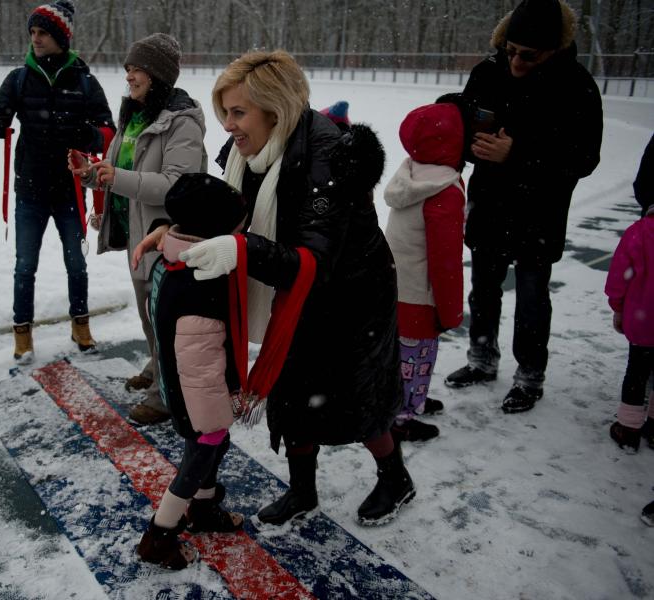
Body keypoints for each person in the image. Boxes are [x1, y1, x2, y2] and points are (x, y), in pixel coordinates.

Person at [135, 50, 412, 526]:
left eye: (238, 112)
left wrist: (242, 249)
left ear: (275, 109)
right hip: (290, 291)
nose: (228, 125)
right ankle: (302, 491)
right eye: (224, 111)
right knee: (291, 397)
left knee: (355, 400)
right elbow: (222, 209)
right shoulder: (252, 152)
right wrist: (175, 228)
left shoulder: (328, 157)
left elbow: (317, 261)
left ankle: (395, 478)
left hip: (350, 299)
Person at [444, 0, 603, 413]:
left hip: (540, 211)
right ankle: (481, 359)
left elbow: (584, 156)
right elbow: (465, 124)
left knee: (532, 296)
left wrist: (518, 153)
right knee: (483, 290)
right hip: (491, 205)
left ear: (553, 49)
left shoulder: (576, 86)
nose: (515, 61)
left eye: (528, 55)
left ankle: (530, 376)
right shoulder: (488, 72)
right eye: (510, 50)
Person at [69, 33, 206, 425]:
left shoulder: (182, 122)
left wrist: (118, 177)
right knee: (149, 316)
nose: (129, 75)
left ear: (159, 74)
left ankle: (164, 396)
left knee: (163, 318)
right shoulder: (134, 114)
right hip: (136, 234)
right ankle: (157, 366)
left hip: (168, 235)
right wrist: (90, 174)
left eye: (138, 68)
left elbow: (176, 185)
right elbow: (117, 170)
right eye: (128, 67)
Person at [0, 2, 115, 362]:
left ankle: (80, 324)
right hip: (30, 191)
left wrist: (89, 135)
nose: (35, 39)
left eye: (43, 33)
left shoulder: (85, 81)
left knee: (77, 264)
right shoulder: (19, 78)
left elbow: (108, 132)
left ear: (60, 37)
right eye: (33, 33)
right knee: (25, 265)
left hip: (70, 191)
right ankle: (22, 331)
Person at [136, 173, 246, 570]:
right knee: (201, 453)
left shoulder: (175, 258)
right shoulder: (202, 281)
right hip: (196, 391)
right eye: (239, 224)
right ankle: (159, 535)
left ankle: (203, 511)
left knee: (213, 446)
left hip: (180, 383)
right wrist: (213, 414)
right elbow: (199, 358)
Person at [383, 101, 466, 443]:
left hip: (393, 286)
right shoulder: (443, 193)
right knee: (417, 358)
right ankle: (403, 416)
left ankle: (403, 400)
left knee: (399, 357)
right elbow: (445, 262)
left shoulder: (411, 174)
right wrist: (450, 311)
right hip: (419, 294)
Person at [604, 147, 653, 452]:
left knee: (637, 372)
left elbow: (618, 278)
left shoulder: (639, 232)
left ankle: (629, 426)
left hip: (643, 323)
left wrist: (618, 307)